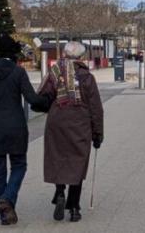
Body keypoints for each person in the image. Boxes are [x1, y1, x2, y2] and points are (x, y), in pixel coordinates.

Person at [0, 35, 49, 225]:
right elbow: (32, 98)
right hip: (15, 126)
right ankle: (7, 199)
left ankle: (4, 213)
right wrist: (49, 102)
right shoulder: (18, 72)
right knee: (19, 166)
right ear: (13, 53)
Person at [37, 41, 104, 222]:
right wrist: (98, 133)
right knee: (77, 163)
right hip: (80, 124)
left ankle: (60, 193)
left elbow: (43, 96)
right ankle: (74, 208)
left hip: (57, 121)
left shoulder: (55, 73)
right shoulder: (87, 77)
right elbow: (96, 108)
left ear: (65, 55)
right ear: (81, 57)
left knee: (58, 158)